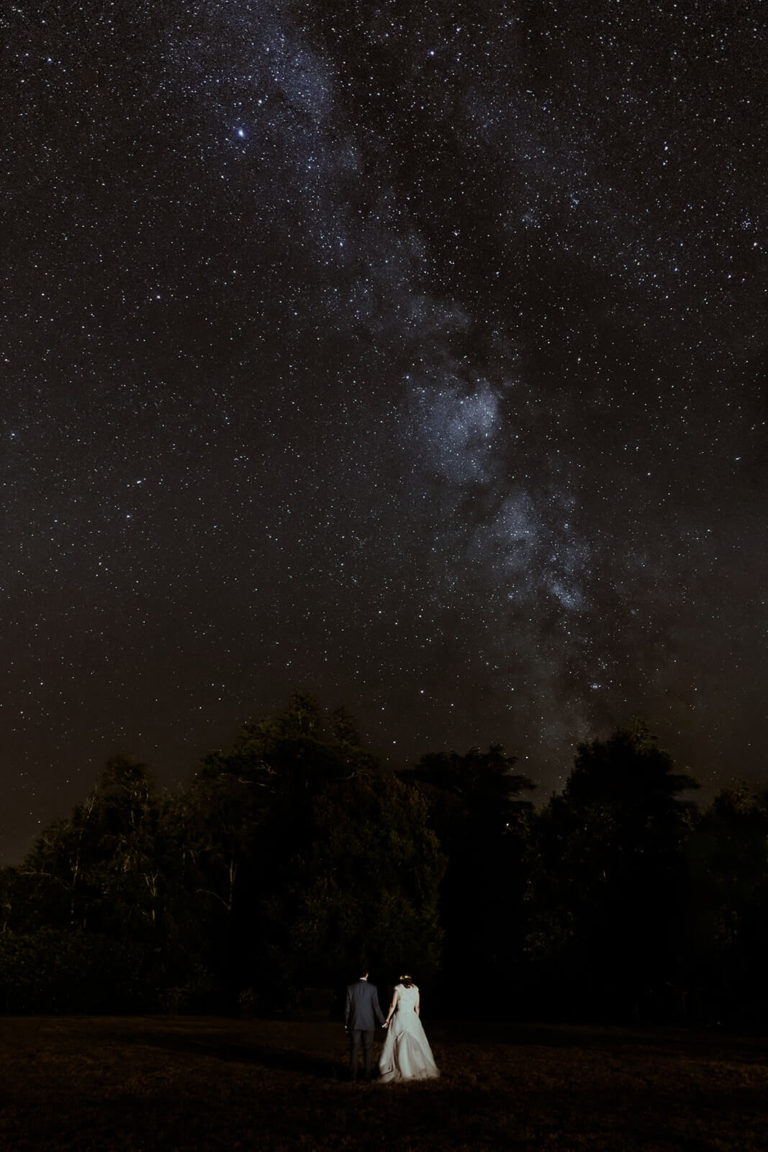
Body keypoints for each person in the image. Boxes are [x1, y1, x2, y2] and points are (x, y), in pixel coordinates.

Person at [378, 974, 439, 1082]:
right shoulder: (415, 991)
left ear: (402, 981)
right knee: (417, 1043)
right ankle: (415, 1067)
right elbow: (417, 1007)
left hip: (400, 1017)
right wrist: (416, 1019)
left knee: (396, 1042)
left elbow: (392, 1005)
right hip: (412, 1017)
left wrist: (387, 1019)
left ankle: (401, 1067)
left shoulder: (398, 990)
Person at [345, 968, 385, 1081]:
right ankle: (367, 1076)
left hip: (354, 1023)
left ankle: (352, 1076)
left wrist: (346, 1024)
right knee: (368, 1049)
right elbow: (376, 1007)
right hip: (368, 1024)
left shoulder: (350, 988)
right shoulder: (372, 988)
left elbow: (347, 1009)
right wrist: (383, 1022)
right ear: (367, 975)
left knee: (354, 1049)